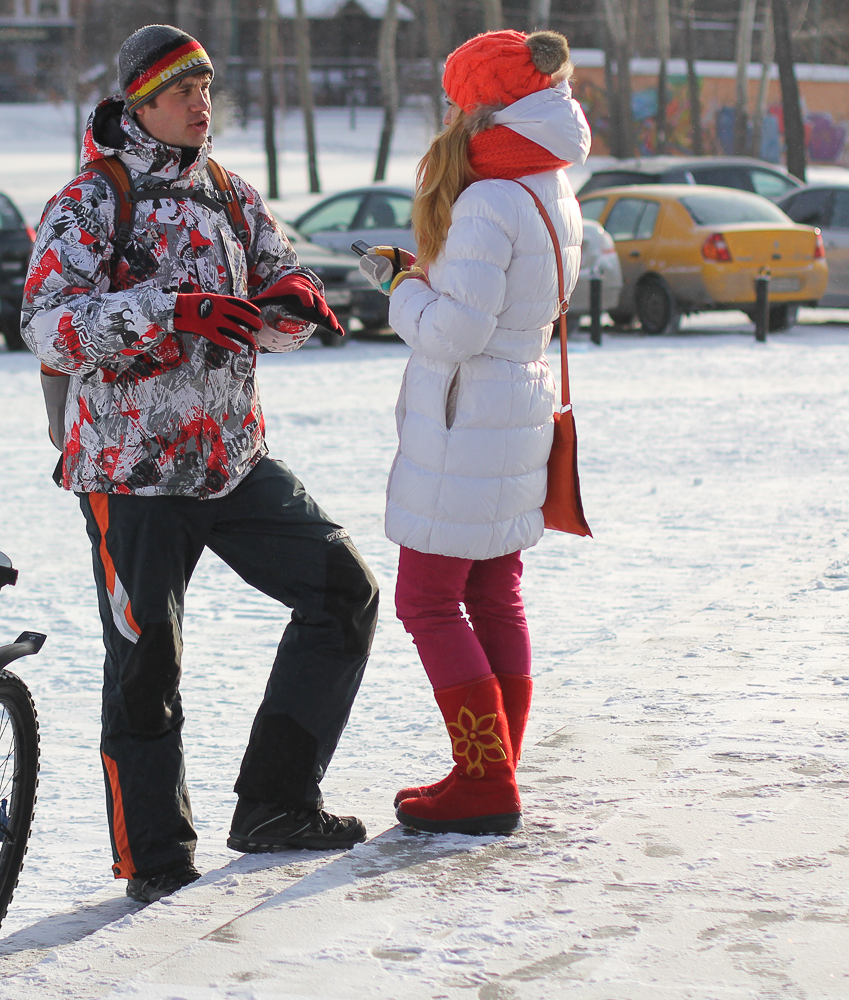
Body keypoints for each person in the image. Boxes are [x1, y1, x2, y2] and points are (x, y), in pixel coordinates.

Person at [22, 24, 380, 903]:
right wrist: (169, 309)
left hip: (233, 459)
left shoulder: (229, 191)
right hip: (133, 473)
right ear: (138, 104)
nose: (200, 101)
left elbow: (281, 293)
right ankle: (155, 858)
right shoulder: (92, 200)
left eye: (207, 85)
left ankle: (274, 804)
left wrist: (291, 309)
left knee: (345, 595)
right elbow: (46, 325)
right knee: (149, 666)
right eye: (181, 89)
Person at [358, 29, 590, 835]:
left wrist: (400, 286)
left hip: (467, 416)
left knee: (428, 599)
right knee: (493, 591)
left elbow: (453, 332)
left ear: (483, 106)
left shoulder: (490, 196)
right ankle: (496, 770)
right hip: (515, 405)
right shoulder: (548, 181)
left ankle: (486, 778)